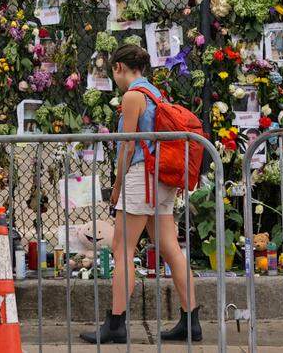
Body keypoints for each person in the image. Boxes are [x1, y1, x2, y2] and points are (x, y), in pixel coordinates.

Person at [81, 44, 200, 344]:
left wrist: (117, 187)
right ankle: (191, 320)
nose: (115, 79)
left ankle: (116, 323)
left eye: (114, 72)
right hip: (161, 179)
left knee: (122, 248)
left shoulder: (133, 96)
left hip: (140, 178)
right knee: (170, 247)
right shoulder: (155, 93)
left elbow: (127, 146)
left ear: (119, 68)